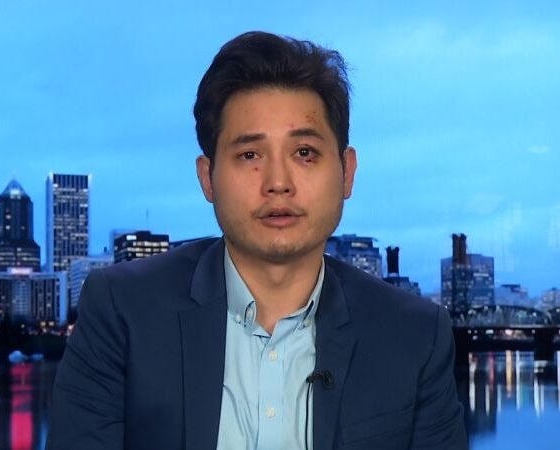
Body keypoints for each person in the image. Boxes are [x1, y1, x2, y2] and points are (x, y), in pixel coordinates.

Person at [46, 31, 467, 450]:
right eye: (250, 155)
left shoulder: (413, 335)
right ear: (208, 178)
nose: (278, 182)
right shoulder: (122, 311)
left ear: (347, 172)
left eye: (304, 152)